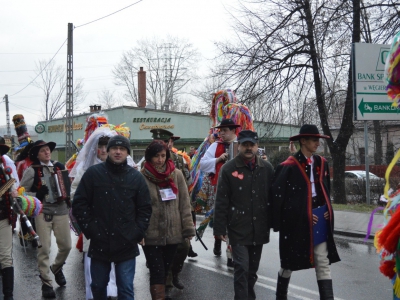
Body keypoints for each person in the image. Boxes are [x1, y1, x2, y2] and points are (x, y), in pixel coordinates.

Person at [72, 135, 152, 300]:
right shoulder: (93, 174)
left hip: (126, 243)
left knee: (126, 289)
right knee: (98, 287)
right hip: (99, 241)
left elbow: (145, 208)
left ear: (127, 153)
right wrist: (91, 230)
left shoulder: (136, 177)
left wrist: (136, 232)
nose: (118, 152)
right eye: (114, 148)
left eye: (122, 149)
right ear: (107, 151)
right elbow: (80, 204)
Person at [272, 124, 340, 300]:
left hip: (319, 218)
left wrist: (327, 210)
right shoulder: (288, 166)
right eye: (314, 140)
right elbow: (279, 198)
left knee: (322, 261)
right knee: (289, 263)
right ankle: (281, 296)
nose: (317, 143)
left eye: (318, 139)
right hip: (296, 222)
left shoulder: (322, 163)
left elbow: (325, 190)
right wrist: (295, 216)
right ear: (303, 141)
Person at [70, 126, 130, 300]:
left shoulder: (122, 168)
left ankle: (113, 294)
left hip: (118, 227)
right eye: (101, 146)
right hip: (96, 226)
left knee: (117, 267)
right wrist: (90, 220)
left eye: (107, 146)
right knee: (95, 270)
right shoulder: (86, 169)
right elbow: (76, 195)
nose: (104, 150)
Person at [213, 130, 274, 300]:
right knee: (241, 268)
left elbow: (274, 198)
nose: (249, 148)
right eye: (245, 145)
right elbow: (221, 201)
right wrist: (219, 228)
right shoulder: (228, 169)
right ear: (238, 145)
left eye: (252, 145)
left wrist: (277, 222)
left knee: (252, 272)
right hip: (238, 228)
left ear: (257, 146)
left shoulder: (267, 168)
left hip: (259, 228)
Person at [140, 140, 195, 300]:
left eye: (163, 155)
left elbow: (184, 203)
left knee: (166, 267)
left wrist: (188, 228)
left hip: (173, 231)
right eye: (156, 156)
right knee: (157, 269)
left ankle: (162, 294)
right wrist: (139, 231)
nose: (160, 159)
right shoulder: (142, 176)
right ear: (149, 157)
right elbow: (137, 206)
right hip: (151, 232)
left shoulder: (176, 174)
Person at [20, 140, 72, 298]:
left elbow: (69, 186)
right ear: (37, 154)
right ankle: (46, 282)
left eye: (48, 150)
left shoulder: (60, 166)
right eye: (43, 150)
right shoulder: (32, 170)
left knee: (66, 246)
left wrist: (70, 196)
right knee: (44, 248)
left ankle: (56, 268)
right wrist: (38, 195)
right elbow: (21, 193)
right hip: (43, 212)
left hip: (61, 210)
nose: (47, 152)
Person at [200, 118, 240, 266]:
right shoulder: (216, 146)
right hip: (220, 187)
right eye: (220, 130)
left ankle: (231, 255)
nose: (221, 133)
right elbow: (203, 164)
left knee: (234, 222)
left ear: (233, 131)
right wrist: (217, 159)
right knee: (221, 217)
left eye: (224, 130)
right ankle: (218, 240)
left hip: (238, 189)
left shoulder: (242, 144)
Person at [0, 142, 18, 300]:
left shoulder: (4, 168)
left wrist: (13, 191)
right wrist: (8, 186)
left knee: (6, 256)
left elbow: (13, 187)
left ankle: (9, 296)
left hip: (3, 218)